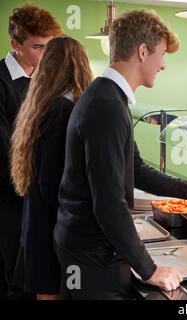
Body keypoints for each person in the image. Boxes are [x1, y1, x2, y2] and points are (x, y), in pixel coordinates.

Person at [53, 9, 187, 300]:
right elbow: (108, 202)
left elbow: (137, 169)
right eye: (162, 55)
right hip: (89, 256)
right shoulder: (107, 105)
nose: (163, 65)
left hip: (86, 248)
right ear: (143, 51)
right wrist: (149, 269)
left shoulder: (108, 97)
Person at [10, 36, 93, 300]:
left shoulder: (44, 103)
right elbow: (51, 182)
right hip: (49, 229)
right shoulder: (62, 109)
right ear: (78, 66)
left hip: (37, 222)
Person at [0, 4, 62, 300]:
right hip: (10, 204)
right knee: (14, 281)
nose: (46, 55)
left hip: (38, 202)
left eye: (50, 47)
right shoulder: (0, 83)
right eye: (39, 47)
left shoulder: (47, 81)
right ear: (16, 45)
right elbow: (5, 153)